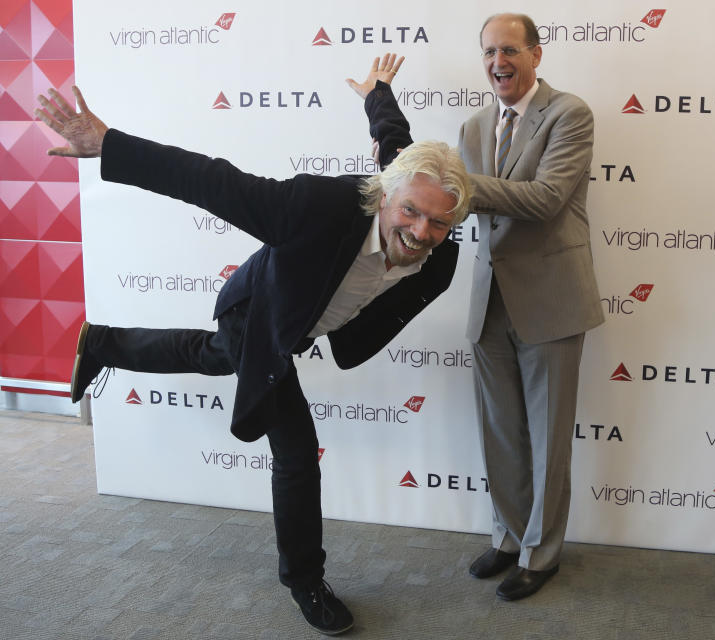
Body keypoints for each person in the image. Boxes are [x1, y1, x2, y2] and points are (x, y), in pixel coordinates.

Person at [35, 55, 473, 636]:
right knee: (295, 454)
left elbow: (395, 141)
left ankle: (104, 344)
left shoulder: (435, 237)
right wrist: (110, 144)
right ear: (384, 195)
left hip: (300, 322)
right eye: (411, 213)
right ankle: (305, 581)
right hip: (259, 312)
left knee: (213, 358)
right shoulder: (316, 207)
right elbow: (213, 180)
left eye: (439, 223)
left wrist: (379, 93)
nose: (421, 233)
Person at [359, 14, 604, 600]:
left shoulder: (570, 114)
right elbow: (442, 202)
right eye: (490, 51)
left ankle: (542, 554)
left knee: (547, 437)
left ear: (536, 54)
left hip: (551, 302)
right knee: (499, 432)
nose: (499, 61)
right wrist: (385, 130)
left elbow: (544, 200)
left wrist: (457, 186)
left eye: (511, 50)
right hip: (488, 301)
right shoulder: (471, 128)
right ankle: (508, 537)